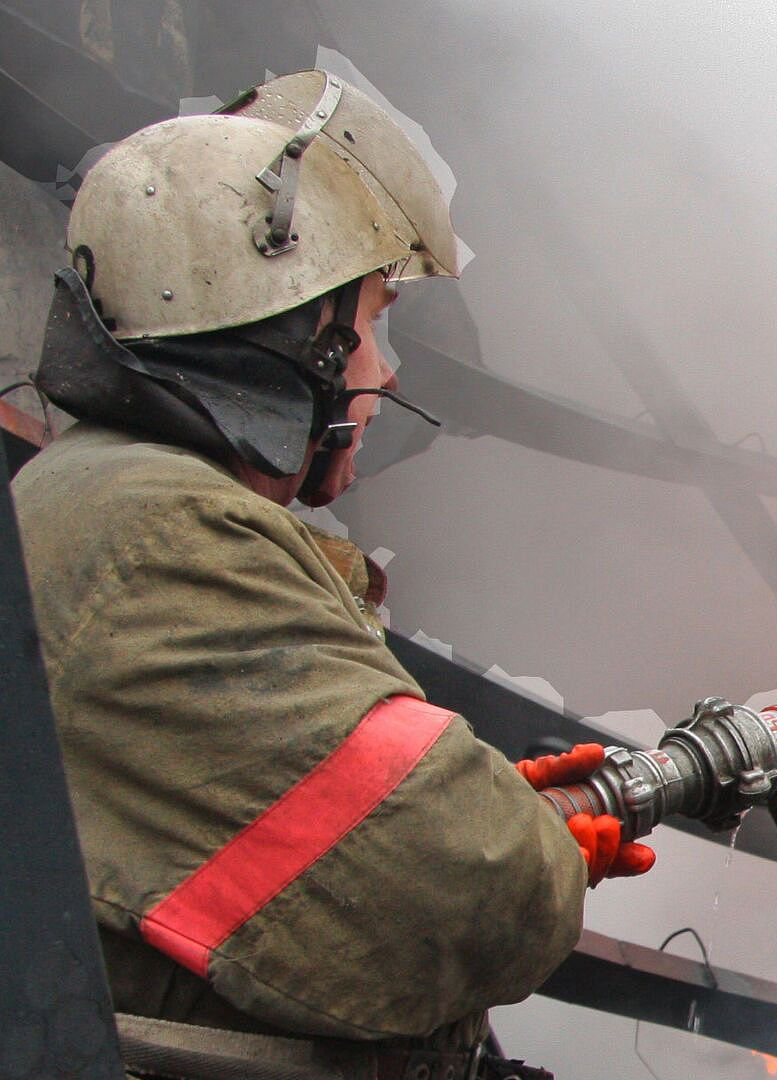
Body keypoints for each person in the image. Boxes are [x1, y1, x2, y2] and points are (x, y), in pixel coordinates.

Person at [13, 70, 647, 1080]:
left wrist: (483, 803)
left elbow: (269, 826)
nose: (387, 373)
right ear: (294, 331)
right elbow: (467, 890)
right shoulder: (167, 528)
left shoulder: (94, 492)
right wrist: (520, 845)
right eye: (376, 319)